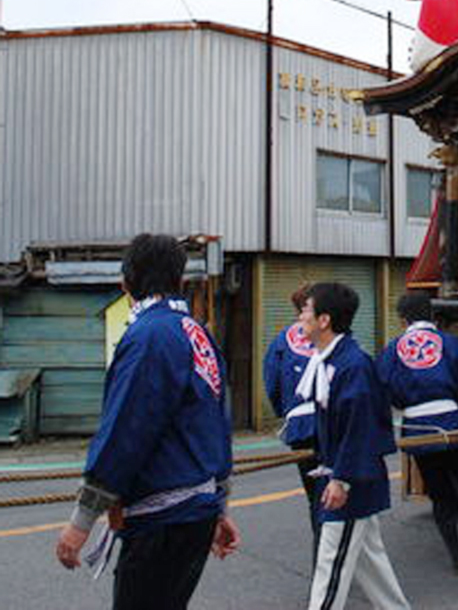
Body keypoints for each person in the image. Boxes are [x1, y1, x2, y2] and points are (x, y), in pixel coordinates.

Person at [54, 233, 240, 609]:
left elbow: (126, 430)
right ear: (181, 281)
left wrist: (81, 521)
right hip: (197, 509)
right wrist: (219, 503)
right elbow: (219, 423)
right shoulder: (198, 333)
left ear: (126, 283)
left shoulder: (149, 335)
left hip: (162, 517)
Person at [376, 292, 458, 573]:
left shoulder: (392, 349)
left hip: (417, 430)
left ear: (402, 320)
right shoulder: (449, 344)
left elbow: (381, 389)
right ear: (433, 315)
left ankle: (457, 558)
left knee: (440, 495)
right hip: (451, 424)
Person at [298, 283, 411, 610]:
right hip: (345, 476)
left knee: (330, 565)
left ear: (324, 320)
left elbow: (359, 427)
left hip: (349, 481)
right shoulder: (332, 360)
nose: (300, 316)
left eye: (306, 309)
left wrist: (341, 478)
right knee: (368, 561)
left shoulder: (352, 365)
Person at [262, 284, 322, 554]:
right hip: (332, 421)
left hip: (299, 425)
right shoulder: (333, 336)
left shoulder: (282, 341)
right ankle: (333, 560)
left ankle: (322, 557)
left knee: (315, 498)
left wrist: (284, 411)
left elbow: (271, 380)